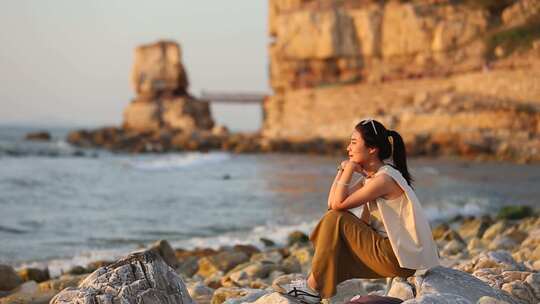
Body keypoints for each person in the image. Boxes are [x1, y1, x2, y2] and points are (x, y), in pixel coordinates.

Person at [282, 119, 440, 303]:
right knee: (335, 223)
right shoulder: (375, 177)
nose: (348, 147)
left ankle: (311, 288)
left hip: (398, 258)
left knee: (336, 220)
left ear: (372, 149)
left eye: (354, 142)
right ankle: (312, 286)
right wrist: (341, 171)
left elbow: (337, 207)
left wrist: (348, 169)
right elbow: (332, 202)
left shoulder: (384, 180)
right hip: (398, 255)